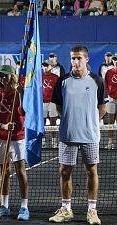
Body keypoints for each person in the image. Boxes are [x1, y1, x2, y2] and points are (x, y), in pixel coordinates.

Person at [49, 45, 106, 225]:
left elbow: (102, 108)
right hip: (68, 135)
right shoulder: (63, 81)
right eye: (73, 58)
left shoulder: (97, 81)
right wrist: (69, 119)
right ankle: (66, 209)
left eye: (79, 58)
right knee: (65, 171)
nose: (76, 61)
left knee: (91, 171)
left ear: (86, 59)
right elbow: (58, 106)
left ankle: (92, 210)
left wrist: (89, 122)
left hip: (90, 136)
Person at [0, 65, 29, 221]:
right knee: (4, 172)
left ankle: (24, 207)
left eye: (6, 76)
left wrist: (22, 94)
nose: (3, 79)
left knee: (21, 171)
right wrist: (3, 126)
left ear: (12, 76)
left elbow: (26, 111)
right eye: (1, 76)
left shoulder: (20, 94)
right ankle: (4, 206)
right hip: (1, 138)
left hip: (18, 137)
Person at [42, 60, 59, 148]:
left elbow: (58, 91)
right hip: (42, 102)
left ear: (51, 67)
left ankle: (54, 142)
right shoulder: (39, 77)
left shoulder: (56, 77)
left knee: (53, 121)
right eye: (44, 65)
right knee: (42, 122)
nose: (45, 67)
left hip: (52, 102)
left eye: (47, 66)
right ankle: (43, 141)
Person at [104, 53, 117, 149]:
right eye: (115, 59)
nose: (116, 61)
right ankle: (110, 142)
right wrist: (109, 94)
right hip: (111, 99)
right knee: (110, 122)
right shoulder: (109, 72)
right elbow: (106, 84)